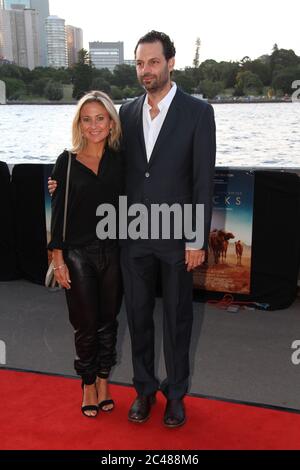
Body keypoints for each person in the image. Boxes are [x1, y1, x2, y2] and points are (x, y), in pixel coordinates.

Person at [49, 30, 216, 428]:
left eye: (153, 62)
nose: (146, 70)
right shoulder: (125, 113)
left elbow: (202, 182)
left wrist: (196, 238)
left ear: (170, 63)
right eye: (140, 63)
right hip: (132, 237)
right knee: (137, 316)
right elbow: (101, 163)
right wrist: (59, 179)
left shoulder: (198, 113)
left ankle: (175, 394)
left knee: (177, 319)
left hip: (178, 237)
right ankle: (144, 390)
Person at [48, 91, 123, 418]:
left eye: (100, 118)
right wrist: (57, 257)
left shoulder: (122, 161)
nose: (94, 125)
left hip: (114, 252)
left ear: (111, 122)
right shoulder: (66, 161)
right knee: (85, 324)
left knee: (109, 321)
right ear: (79, 123)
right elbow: (59, 214)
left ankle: (105, 380)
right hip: (77, 255)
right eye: (87, 119)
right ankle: (88, 384)